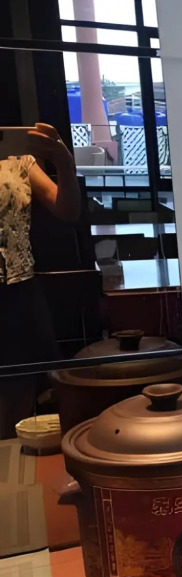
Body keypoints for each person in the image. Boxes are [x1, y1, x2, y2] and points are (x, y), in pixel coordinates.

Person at [0, 122, 81, 437]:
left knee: (21, 393)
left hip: (19, 289)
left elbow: (67, 210)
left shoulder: (19, 159)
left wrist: (65, 164)